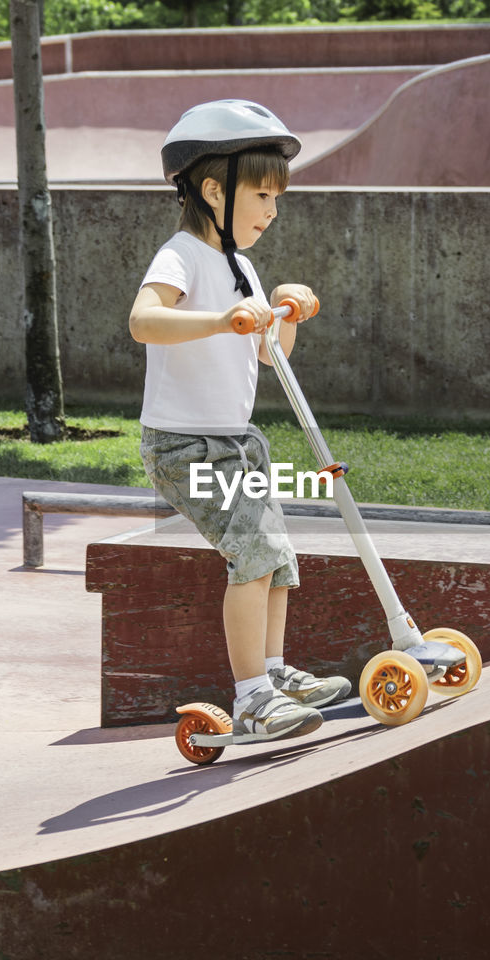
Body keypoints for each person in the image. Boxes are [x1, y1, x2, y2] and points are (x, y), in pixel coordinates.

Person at [128, 99, 352, 745]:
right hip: (185, 445)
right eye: (261, 193)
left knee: (276, 558)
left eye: (275, 196)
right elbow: (144, 321)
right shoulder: (182, 256)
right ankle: (251, 697)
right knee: (251, 553)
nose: (272, 209)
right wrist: (221, 319)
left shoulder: (241, 265)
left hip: (236, 442)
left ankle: (276, 676)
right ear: (211, 189)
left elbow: (267, 352)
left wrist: (284, 310)